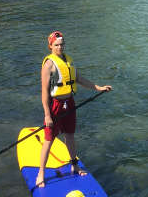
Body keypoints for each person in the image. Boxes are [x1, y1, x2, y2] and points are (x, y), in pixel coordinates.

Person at [35, 31, 112, 188]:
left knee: (70, 135)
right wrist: (47, 115)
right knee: (49, 140)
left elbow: (79, 79)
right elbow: (44, 92)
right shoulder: (49, 64)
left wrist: (99, 88)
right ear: (50, 46)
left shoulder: (69, 61)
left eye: (62, 44)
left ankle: (74, 165)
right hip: (55, 105)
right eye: (56, 45)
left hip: (69, 103)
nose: (60, 47)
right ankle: (41, 173)